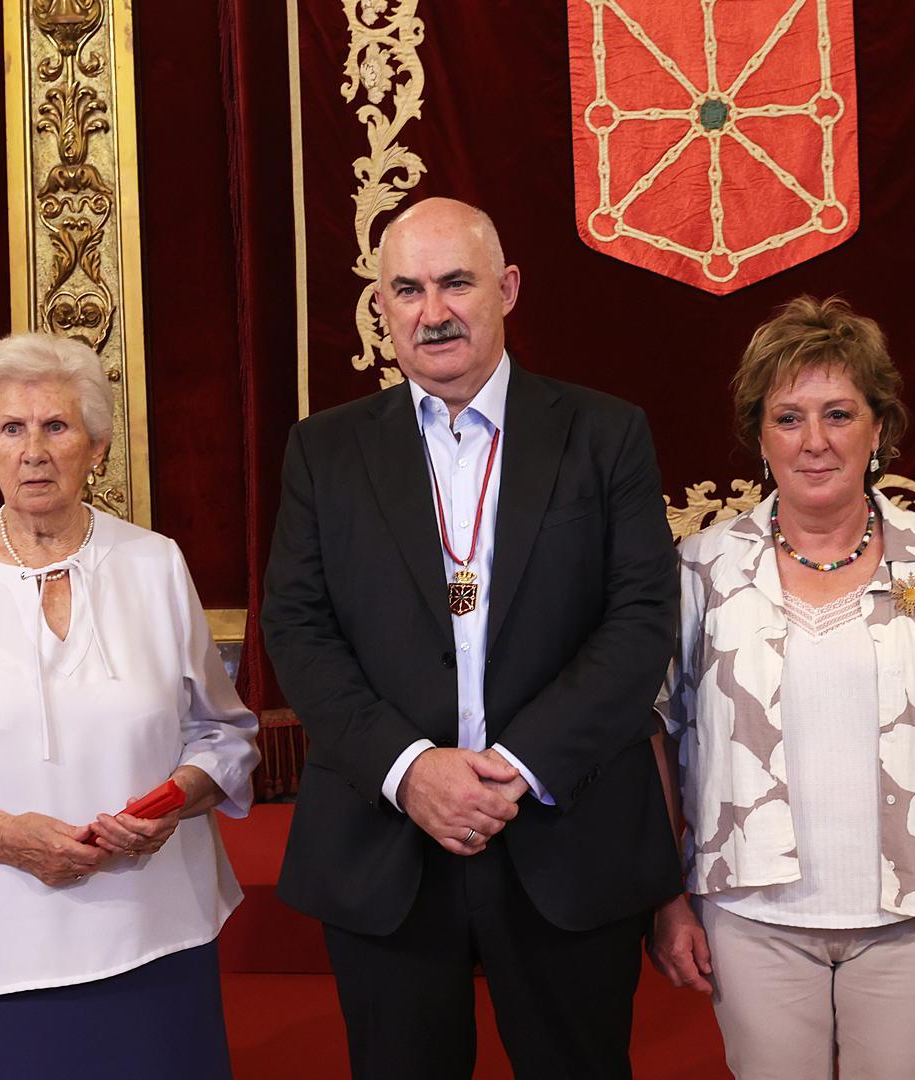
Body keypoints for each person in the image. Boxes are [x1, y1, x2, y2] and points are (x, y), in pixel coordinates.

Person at [261, 197, 679, 1079]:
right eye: (406, 289)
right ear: (381, 306)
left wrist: (515, 769)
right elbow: (297, 628)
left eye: (456, 282)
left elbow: (641, 619)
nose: (433, 311)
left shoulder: (605, 433)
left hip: (566, 831)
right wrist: (411, 767)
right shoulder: (323, 451)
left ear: (508, 289)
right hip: (385, 841)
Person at [0, 332, 260, 1077]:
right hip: (3, 944)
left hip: (159, 929)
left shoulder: (154, 562)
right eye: (12, 428)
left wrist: (174, 801)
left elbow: (224, 736)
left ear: (97, 447)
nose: (33, 450)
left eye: (57, 426)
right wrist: (6, 836)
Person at [647, 296, 915, 1078]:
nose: (814, 441)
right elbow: (656, 739)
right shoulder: (701, 571)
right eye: (788, 417)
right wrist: (664, 900)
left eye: (839, 414)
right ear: (759, 434)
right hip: (751, 914)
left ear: (879, 428)